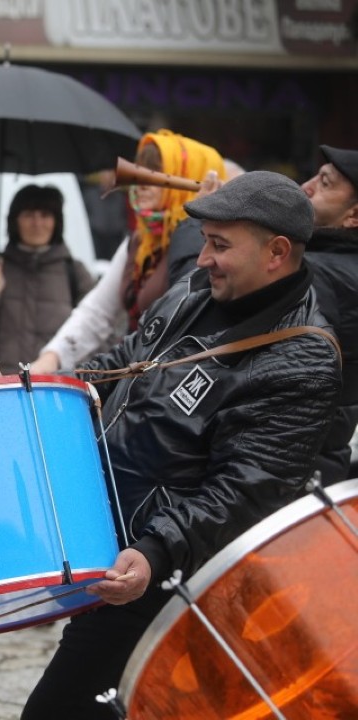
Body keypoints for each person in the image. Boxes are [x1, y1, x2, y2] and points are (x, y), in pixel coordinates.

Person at [20, 171, 341, 719]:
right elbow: (119, 363)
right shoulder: (194, 291)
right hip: (109, 540)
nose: (202, 258)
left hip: (172, 576)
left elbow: (243, 493)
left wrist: (154, 552)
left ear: (276, 252)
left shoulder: (302, 359)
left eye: (220, 245)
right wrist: (43, 392)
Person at [166, 145, 358, 485]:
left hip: (275, 478)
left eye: (325, 183)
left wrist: (194, 224)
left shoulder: (325, 276)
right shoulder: (331, 262)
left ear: (354, 216)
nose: (306, 187)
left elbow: (198, 294)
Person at [32, 130, 225, 373]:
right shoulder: (139, 241)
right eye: (141, 171)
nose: (141, 183)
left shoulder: (207, 246)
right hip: (137, 374)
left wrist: (195, 222)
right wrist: (52, 358)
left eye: (156, 174)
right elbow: (98, 312)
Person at [0, 185, 95, 371]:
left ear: (56, 222)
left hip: (57, 385)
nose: (37, 223)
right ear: (15, 221)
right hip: (3, 383)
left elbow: (98, 330)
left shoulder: (74, 271)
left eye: (45, 215)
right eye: (28, 215)